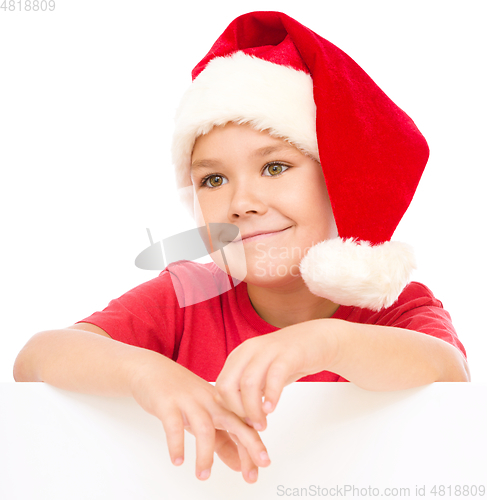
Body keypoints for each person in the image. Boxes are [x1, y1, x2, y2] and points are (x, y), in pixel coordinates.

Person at [13, 11, 469, 485]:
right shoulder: (189, 294)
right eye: (213, 179)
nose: (241, 203)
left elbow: (449, 373)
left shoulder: (391, 304)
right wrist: (142, 372)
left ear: (338, 177)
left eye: (274, 167)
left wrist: (327, 343)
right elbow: (37, 358)